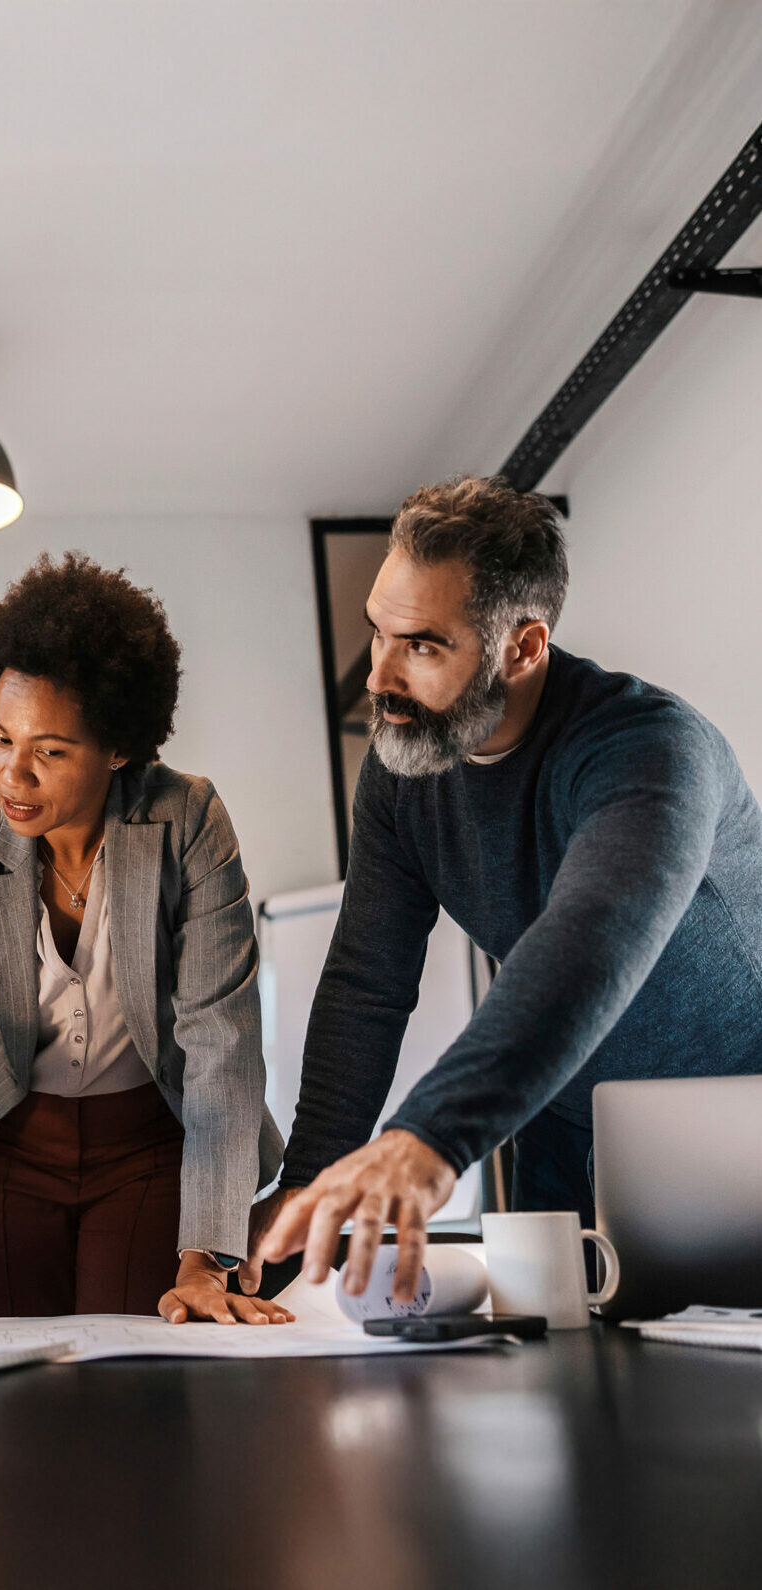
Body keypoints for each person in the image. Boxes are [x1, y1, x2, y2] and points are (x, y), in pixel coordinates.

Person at [248, 475, 762, 1307]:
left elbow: (594, 934)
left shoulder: (651, 751)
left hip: (735, 1120)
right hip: (560, 1120)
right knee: (560, 1384)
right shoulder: (401, 774)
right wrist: (307, 1195)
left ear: (523, 648)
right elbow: (367, 988)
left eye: (421, 645)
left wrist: (430, 1136)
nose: (378, 676)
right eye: (377, 631)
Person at [0, 553, 290, 1324]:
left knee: (133, 1381)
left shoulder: (187, 820)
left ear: (119, 748)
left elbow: (221, 1042)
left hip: (151, 1151)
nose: (12, 776)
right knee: (21, 1387)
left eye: (50, 751)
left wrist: (203, 1261)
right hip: (6, 1149)